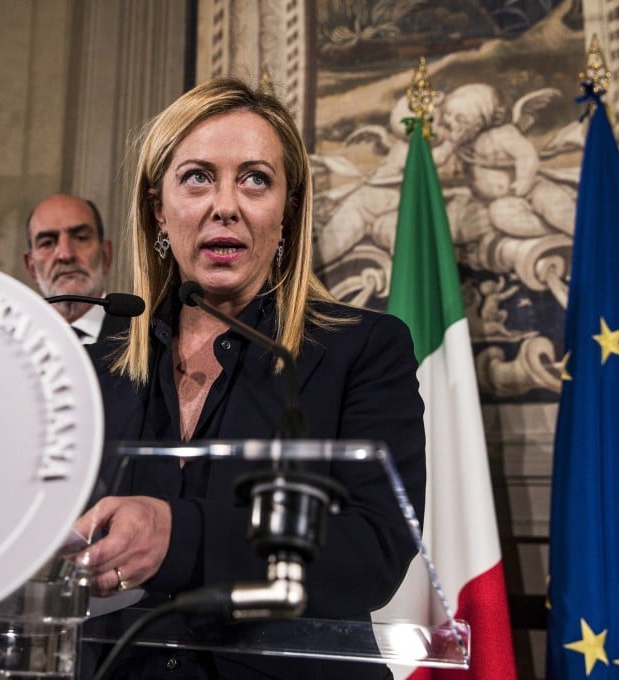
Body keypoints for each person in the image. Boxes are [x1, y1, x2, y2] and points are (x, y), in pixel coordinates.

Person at [72, 77, 426, 679]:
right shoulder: (96, 362)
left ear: (287, 214)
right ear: (159, 208)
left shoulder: (360, 348)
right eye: (197, 177)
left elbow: (374, 549)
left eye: (255, 179)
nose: (226, 205)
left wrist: (177, 535)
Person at [24, 193, 128, 343]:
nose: (65, 255)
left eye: (81, 238)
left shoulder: (145, 338)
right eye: (47, 243)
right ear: (31, 268)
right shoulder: (12, 343)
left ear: (106, 255)